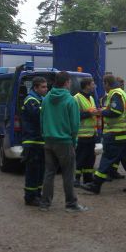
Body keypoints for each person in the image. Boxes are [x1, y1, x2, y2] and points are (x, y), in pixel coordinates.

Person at [82, 74, 126, 194]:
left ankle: (96, 185)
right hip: (124, 133)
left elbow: (116, 111)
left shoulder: (115, 93)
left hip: (116, 133)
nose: (103, 87)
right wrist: (104, 110)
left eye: (104, 84)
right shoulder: (121, 92)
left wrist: (102, 112)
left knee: (107, 158)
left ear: (107, 84)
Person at [39, 71, 88, 213]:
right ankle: (71, 204)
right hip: (64, 142)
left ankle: (45, 204)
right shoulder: (70, 100)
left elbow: (42, 119)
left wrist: (45, 135)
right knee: (68, 174)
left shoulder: (47, 98)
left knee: (49, 172)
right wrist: (74, 141)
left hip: (48, 140)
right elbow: (74, 124)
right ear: (66, 82)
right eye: (70, 81)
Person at [21, 76, 48, 206]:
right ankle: (30, 197)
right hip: (32, 141)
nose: (46, 89)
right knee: (32, 170)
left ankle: (37, 194)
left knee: (40, 170)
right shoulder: (30, 100)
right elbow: (38, 115)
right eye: (43, 87)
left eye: (46, 86)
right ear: (35, 87)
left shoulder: (41, 99)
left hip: (40, 141)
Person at [73, 77, 99, 187]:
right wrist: (90, 114)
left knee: (90, 158)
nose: (94, 86)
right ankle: (76, 179)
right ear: (87, 85)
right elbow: (75, 116)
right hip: (82, 135)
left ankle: (88, 179)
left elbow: (91, 111)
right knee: (80, 158)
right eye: (93, 84)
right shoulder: (76, 98)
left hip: (91, 134)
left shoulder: (91, 98)